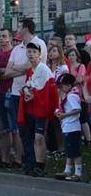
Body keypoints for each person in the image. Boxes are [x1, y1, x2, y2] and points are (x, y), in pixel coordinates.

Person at [18, 42, 57, 177]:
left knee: (39, 137)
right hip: (30, 109)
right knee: (30, 137)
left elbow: (46, 91)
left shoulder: (44, 70)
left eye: (34, 52)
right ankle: (32, 164)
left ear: (40, 54)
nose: (31, 54)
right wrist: (25, 91)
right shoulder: (30, 71)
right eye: (29, 52)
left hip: (40, 109)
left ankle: (40, 166)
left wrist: (32, 94)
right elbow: (27, 86)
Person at [0, 28, 22, 169]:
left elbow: (14, 71)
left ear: (11, 38)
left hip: (11, 92)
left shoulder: (15, 52)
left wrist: (5, 72)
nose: (1, 38)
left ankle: (18, 159)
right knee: (3, 128)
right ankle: (5, 158)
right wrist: (4, 71)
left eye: (4, 36)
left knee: (14, 128)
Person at [54, 74, 83, 181]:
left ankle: (78, 173)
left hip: (72, 127)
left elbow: (77, 109)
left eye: (62, 86)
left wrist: (64, 115)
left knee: (74, 151)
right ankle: (67, 170)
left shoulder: (71, 96)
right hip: (67, 126)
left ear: (68, 85)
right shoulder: (68, 96)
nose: (61, 89)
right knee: (70, 150)